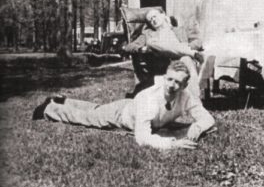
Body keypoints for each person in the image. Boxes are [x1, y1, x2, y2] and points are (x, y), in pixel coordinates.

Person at [32, 61, 215, 150]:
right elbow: (142, 138)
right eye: (169, 79)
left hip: (131, 108)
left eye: (178, 82)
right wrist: (172, 144)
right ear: (164, 77)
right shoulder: (149, 98)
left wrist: (198, 127)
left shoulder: (186, 96)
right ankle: (49, 108)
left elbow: (208, 118)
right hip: (121, 114)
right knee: (89, 117)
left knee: (95, 108)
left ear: (184, 85)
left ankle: (65, 100)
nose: (172, 85)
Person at [124, 8, 204, 99]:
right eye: (150, 20)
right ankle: (191, 53)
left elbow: (198, 41)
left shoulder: (179, 30)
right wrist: (142, 48)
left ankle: (194, 99)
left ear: (163, 16)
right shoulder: (148, 34)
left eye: (154, 17)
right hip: (164, 61)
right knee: (151, 43)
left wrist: (188, 46)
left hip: (181, 59)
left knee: (186, 59)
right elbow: (129, 47)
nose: (153, 20)